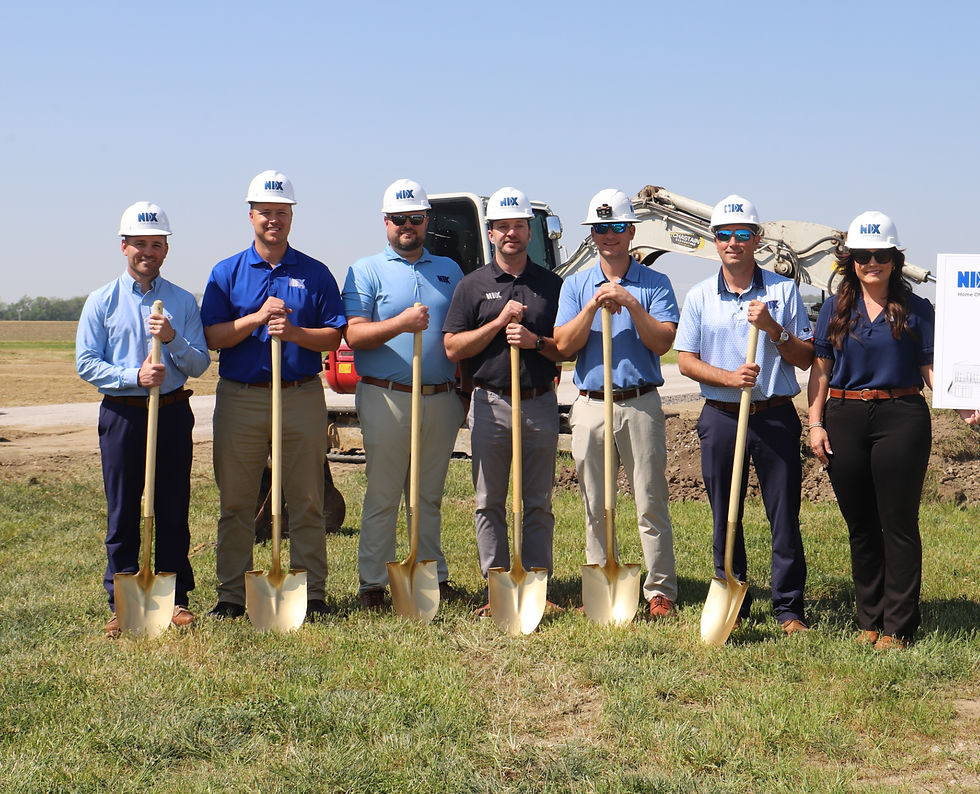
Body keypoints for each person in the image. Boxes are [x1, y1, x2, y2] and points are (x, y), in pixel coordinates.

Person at [807, 211, 979, 650]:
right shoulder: (834, 307)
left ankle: (898, 625)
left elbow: (929, 368)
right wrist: (814, 423)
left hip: (901, 416)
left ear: (895, 258)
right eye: (863, 255)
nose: (872, 262)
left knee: (897, 523)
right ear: (850, 260)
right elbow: (821, 372)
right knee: (860, 524)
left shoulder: (916, 308)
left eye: (881, 254)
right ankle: (869, 618)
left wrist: (963, 405)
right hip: (844, 417)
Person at [201, 170, 345, 620]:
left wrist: (296, 332)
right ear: (251, 216)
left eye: (281, 213)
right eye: (265, 213)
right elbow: (213, 336)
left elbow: (333, 337)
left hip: (300, 395)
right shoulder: (227, 273)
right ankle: (232, 595)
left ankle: (312, 592)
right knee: (237, 500)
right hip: (241, 397)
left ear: (291, 216)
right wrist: (257, 318)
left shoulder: (314, 273)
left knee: (306, 498)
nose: (273, 221)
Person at [675, 194, 814, 635]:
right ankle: (733, 591)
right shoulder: (699, 296)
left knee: (783, 513)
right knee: (724, 511)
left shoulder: (783, 291)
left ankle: (788, 608)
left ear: (757, 239)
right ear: (713, 241)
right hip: (720, 415)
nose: (732, 242)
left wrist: (773, 328)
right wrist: (728, 379)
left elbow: (807, 357)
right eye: (723, 235)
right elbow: (686, 361)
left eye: (741, 235)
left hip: (773, 415)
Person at [76, 201, 211, 637]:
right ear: (124, 246)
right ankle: (122, 597)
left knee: (172, 505)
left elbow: (199, 363)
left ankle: (174, 598)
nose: (147, 252)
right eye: (139, 244)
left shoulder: (181, 301)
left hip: (171, 413)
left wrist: (171, 339)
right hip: (123, 415)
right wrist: (132, 375)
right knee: (122, 509)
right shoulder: (101, 301)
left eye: (156, 244)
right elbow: (86, 363)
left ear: (166, 249)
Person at [553, 188, 679, 618]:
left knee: (649, 499)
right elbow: (564, 347)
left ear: (631, 232)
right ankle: (602, 580)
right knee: (595, 501)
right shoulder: (575, 285)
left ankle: (659, 590)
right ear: (592, 235)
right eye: (600, 229)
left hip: (639, 401)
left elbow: (662, 342)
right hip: (591, 404)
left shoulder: (655, 283)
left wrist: (628, 302)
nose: (608, 236)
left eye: (615, 228)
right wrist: (591, 307)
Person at [343, 178, 465, 611]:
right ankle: (373, 583)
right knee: (384, 492)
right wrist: (400, 324)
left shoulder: (450, 270)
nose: (407, 226)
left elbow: (461, 332)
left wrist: (463, 391)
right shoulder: (365, 270)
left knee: (428, 493)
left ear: (427, 220)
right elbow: (355, 334)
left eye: (415, 218)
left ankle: (432, 571)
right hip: (386, 396)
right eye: (399, 219)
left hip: (441, 396)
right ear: (386, 222)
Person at [443, 187, 564, 615]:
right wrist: (497, 323)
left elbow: (564, 349)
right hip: (489, 402)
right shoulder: (471, 285)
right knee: (489, 501)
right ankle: (497, 586)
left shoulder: (551, 285)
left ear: (529, 231)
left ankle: (535, 586)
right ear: (490, 232)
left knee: (538, 501)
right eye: (502, 226)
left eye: (519, 225)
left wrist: (536, 341)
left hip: (538, 402)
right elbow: (454, 348)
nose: (511, 233)